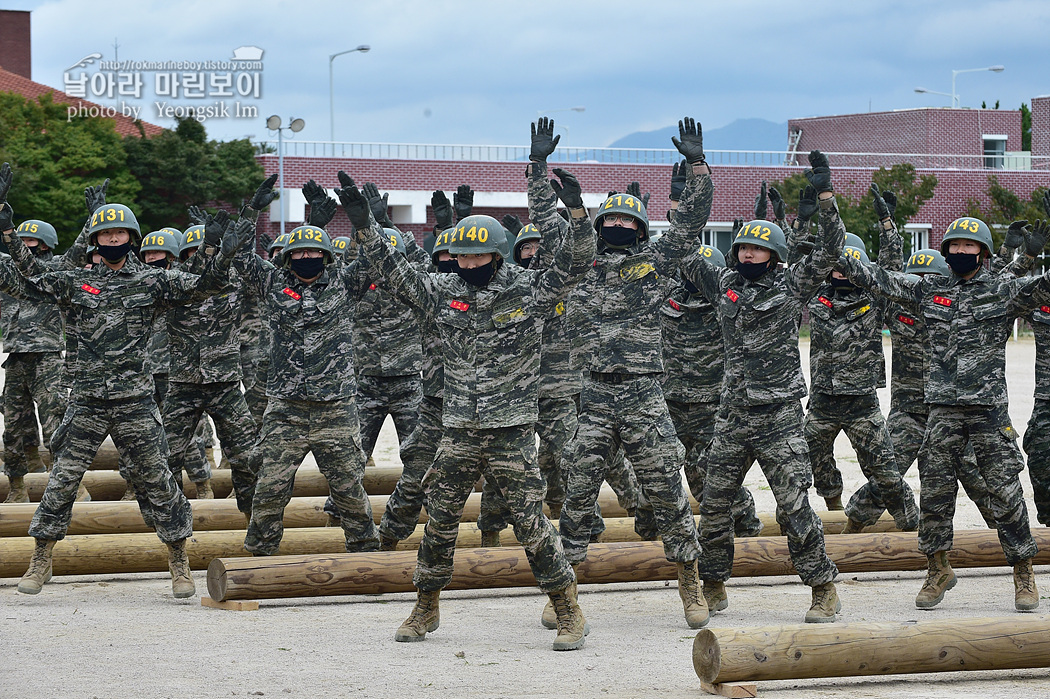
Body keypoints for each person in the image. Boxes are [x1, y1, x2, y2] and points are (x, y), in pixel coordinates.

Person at [339, 162, 594, 651]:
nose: (469, 265)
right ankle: (426, 605)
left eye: (479, 257)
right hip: (457, 427)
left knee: (532, 525)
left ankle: (567, 608)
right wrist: (365, 226)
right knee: (439, 520)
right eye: (462, 257)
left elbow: (576, 264)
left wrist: (578, 214)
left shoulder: (528, 290)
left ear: (499, 255)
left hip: (511, 430)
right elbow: (395, 276)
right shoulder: (444, 291)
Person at [0, 171, 251, 598]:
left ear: (131, 238)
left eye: (119, 232)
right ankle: (41, 558)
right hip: (87, 401)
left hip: (135, 400)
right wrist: (6, 224)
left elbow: (207, 285)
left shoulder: (153, 280)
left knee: (157, 480)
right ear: (95, 239)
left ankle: (178, 561)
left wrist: (219, 252)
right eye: (105, 233)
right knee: (62, 479)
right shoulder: (76, 281)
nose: (112, 239)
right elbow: (29, 274)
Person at [837, 215, 1050, 611]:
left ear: (983, 253)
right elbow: (876, 277)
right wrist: (835, 235)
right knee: (936, 497)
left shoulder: (1002, 291)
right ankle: (937, 570)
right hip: (942, 412)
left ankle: (1023, 572)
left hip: (987, 412)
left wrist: (1034, 252)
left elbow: (1044, 285)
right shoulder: (930, 288)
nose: (960, 252)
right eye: (953, 246)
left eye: (968, 247)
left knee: (1005, 494)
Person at [556, 118, 711, 629]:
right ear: (599, 230)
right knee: (577, 491)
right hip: (594, 397)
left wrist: (697, 167)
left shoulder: (656, 266)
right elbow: (552, 223)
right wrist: (566, 199)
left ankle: (690, 582)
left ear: (641, 232)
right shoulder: (582, 267)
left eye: (627, 224)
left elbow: (690, 226)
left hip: (645, 394)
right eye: (610, 223)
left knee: (667, 488)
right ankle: (564, 589)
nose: (617, 229)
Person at [680, 150, 843, 623]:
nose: (749, 254)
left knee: (794, 506)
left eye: (759, 249)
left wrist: (827, 197)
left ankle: (822, 587)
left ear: (776, 254)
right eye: (744, 248)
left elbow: (831, 251)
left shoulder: (792, 285)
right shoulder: (722, 283)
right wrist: (695, 182)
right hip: (731, 415)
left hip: (778, 417)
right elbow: (683, 251)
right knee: (714, 506)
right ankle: (712, 584)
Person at [234, 187, 380, 557]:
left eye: (314, 252)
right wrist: (250, 212)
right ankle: (259, 556)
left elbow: (377, 258)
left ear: (327, 256)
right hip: (286, 409)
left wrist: (363, 222)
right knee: (269, 486)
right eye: (299, 253)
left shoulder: (345, 284)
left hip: (336, 407)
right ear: (288, 258)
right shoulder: (273, 285)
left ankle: (365, 554)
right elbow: (239, 256)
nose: (306, 257)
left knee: (348, 486)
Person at [803, 191, 919, 533]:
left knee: (885, 471)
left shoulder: (874, 297)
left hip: (862, 403)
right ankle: (834, 505)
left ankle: (910, 524)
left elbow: (891, 270)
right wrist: (800, 223)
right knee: (809, 455)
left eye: (847, 265)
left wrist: (887, 228)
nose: (841, 273)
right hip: (823, 400)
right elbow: (798, 262)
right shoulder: (816, 296)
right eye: (835, 267)